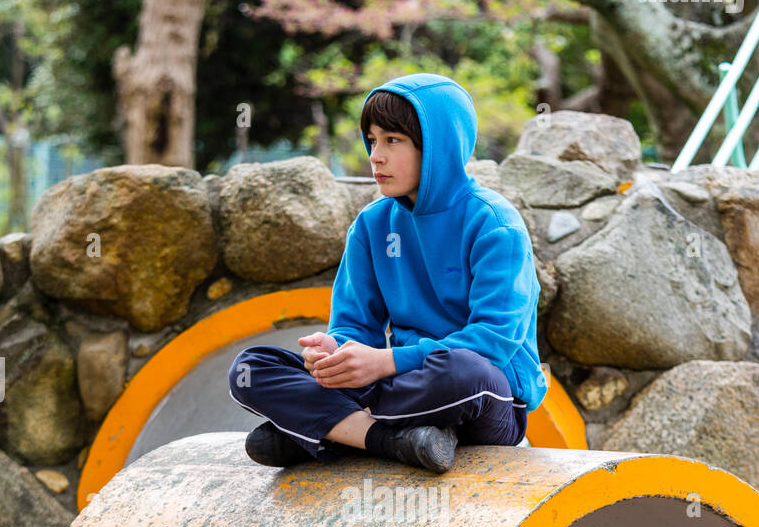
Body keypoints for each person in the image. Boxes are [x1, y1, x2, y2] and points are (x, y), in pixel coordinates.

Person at [228, 71, 548, 474]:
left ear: (437, 147)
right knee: (250, 368)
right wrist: (334, 354)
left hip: (482, 399)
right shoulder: (372, 225)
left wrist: (385, 362)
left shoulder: (495, 224)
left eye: (392, 141)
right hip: (394, 387)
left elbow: (492, 342)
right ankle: (384, 439)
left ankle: (326, 432)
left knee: (464, 370)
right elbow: (353, 326)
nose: (376, 155)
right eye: (373, 140)